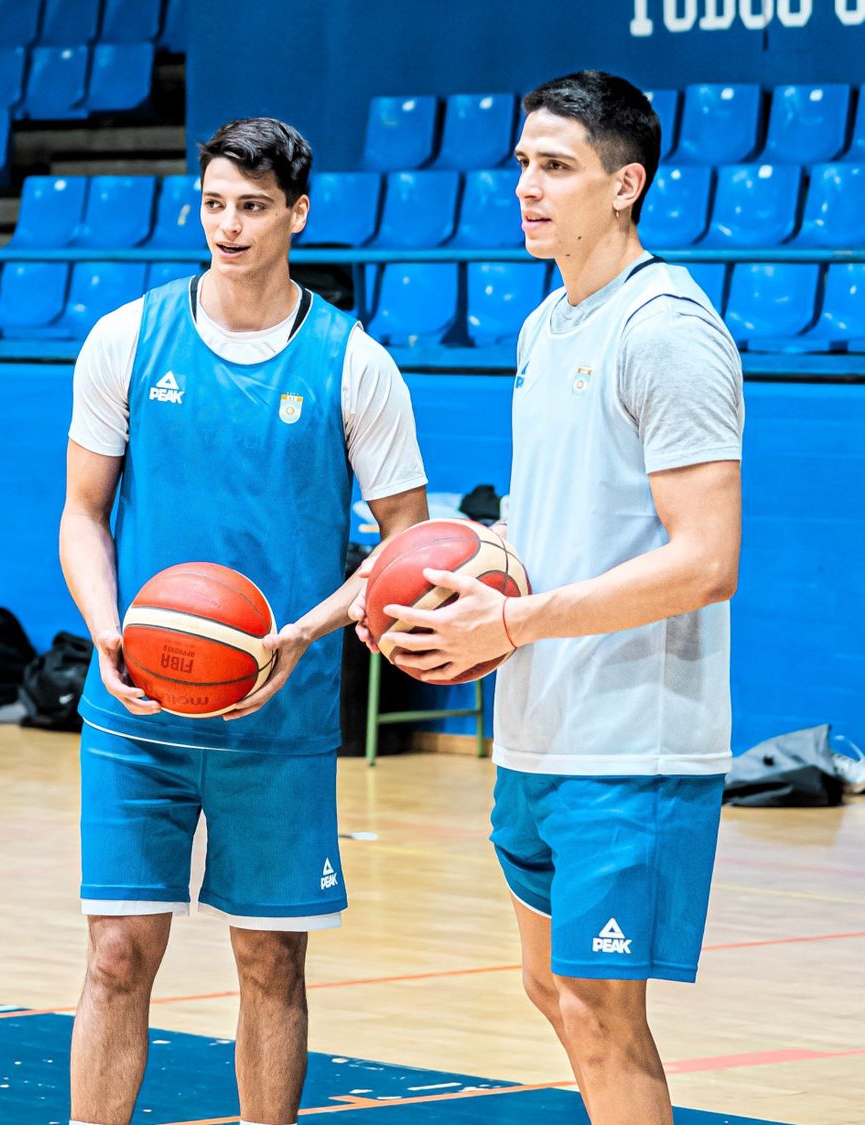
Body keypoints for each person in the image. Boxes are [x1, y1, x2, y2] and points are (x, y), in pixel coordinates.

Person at [352, 71, 743, 1124]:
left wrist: (513, 620)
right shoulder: (545, 328)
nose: (528, 187)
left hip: (633, 744)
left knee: (606, 1018)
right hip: (538, 729)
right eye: (523, 163)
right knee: (554, 992)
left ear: (627, 185)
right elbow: (547, 524)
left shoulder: (667, 328)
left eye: (557, 168)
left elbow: (706, 560)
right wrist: (424, 582)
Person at [59, 117, 429, 1125]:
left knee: (270, 958)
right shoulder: (127, 340)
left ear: (298, 213)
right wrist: (104, 626)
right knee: (118, 951)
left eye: (254, 207)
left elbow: (407, 550)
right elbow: (82, 515)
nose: (228, 225)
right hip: (137, 707)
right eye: (215, 203)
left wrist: (304, 633)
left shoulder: (356, 366)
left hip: (279, 712)